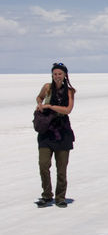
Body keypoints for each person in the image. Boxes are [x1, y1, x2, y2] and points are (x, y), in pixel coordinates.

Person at [35, 62, 76, 208]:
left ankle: (60, 197)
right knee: (43, 164)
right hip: (47, 132)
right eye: (55, 74)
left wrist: (50, 106)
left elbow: (68, 110)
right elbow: (39, 98)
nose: (57, 76)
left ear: (65, 75)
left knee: (61, 167)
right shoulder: (47, 87)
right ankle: (46, 195)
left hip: (62, 132)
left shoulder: (70, 91)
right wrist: (40, 104)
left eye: (60, 74)